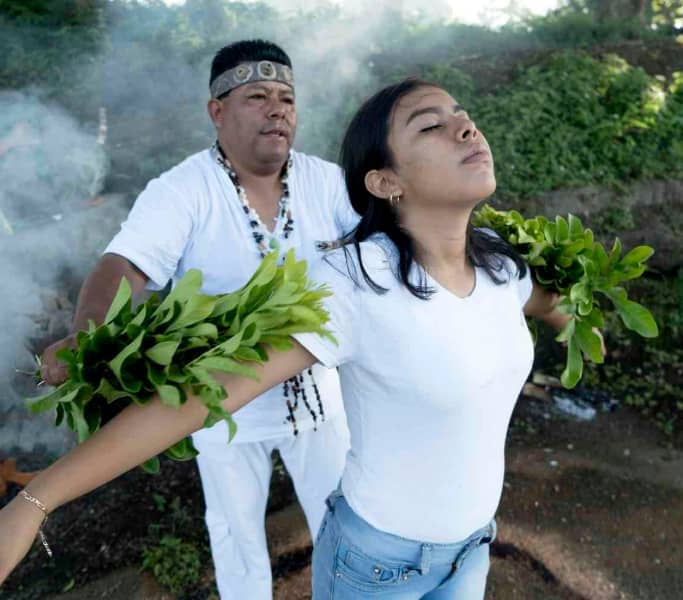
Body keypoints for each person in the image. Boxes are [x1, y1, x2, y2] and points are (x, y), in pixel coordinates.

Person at [0, 78, 588, 598]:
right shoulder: (354, 286)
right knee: (237, 539)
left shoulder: (502, 268)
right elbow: (201, 399)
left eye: (462, 114)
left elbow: (551, 306)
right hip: (379, 567)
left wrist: (585, 321)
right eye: (432, 124)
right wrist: (35, 503)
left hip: (472, 548)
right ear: (385, 181)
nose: (466, 126)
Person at [37, 39, 357, 599]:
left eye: (286, 97)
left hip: (322, 400)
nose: (278, 109)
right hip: (218, 405)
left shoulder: (327, 182)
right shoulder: (183, 189)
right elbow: (125, 265)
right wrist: (86, 340)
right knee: (236, 542)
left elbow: (380, 252)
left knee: (347, 531)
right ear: (217, 110)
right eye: (257, 96)